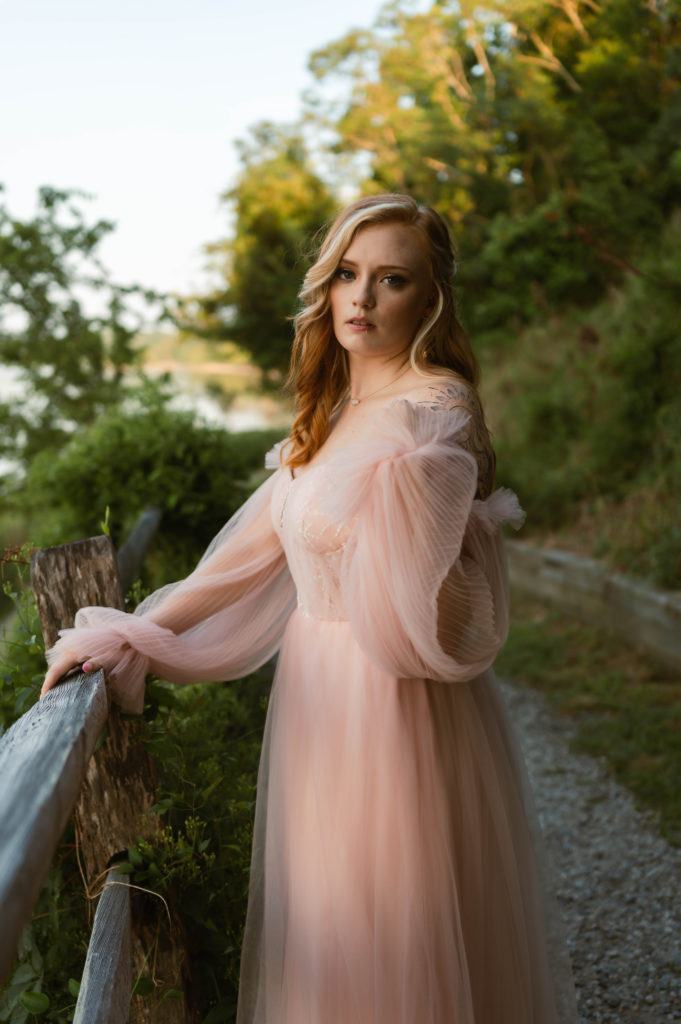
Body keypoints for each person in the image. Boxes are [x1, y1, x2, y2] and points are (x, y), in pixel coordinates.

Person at [42, 194, 576, 1023]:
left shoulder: (436, 408)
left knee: (396, 927)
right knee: (323, 921)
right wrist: (129, 632)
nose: (360, 298)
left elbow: (433, 599)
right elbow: (244, 560)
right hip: (314, 696)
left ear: (428, 297)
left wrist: (413, 486)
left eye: (391, 279)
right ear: (325, 288)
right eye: (347, 275)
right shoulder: (327, 416)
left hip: (393, 700)